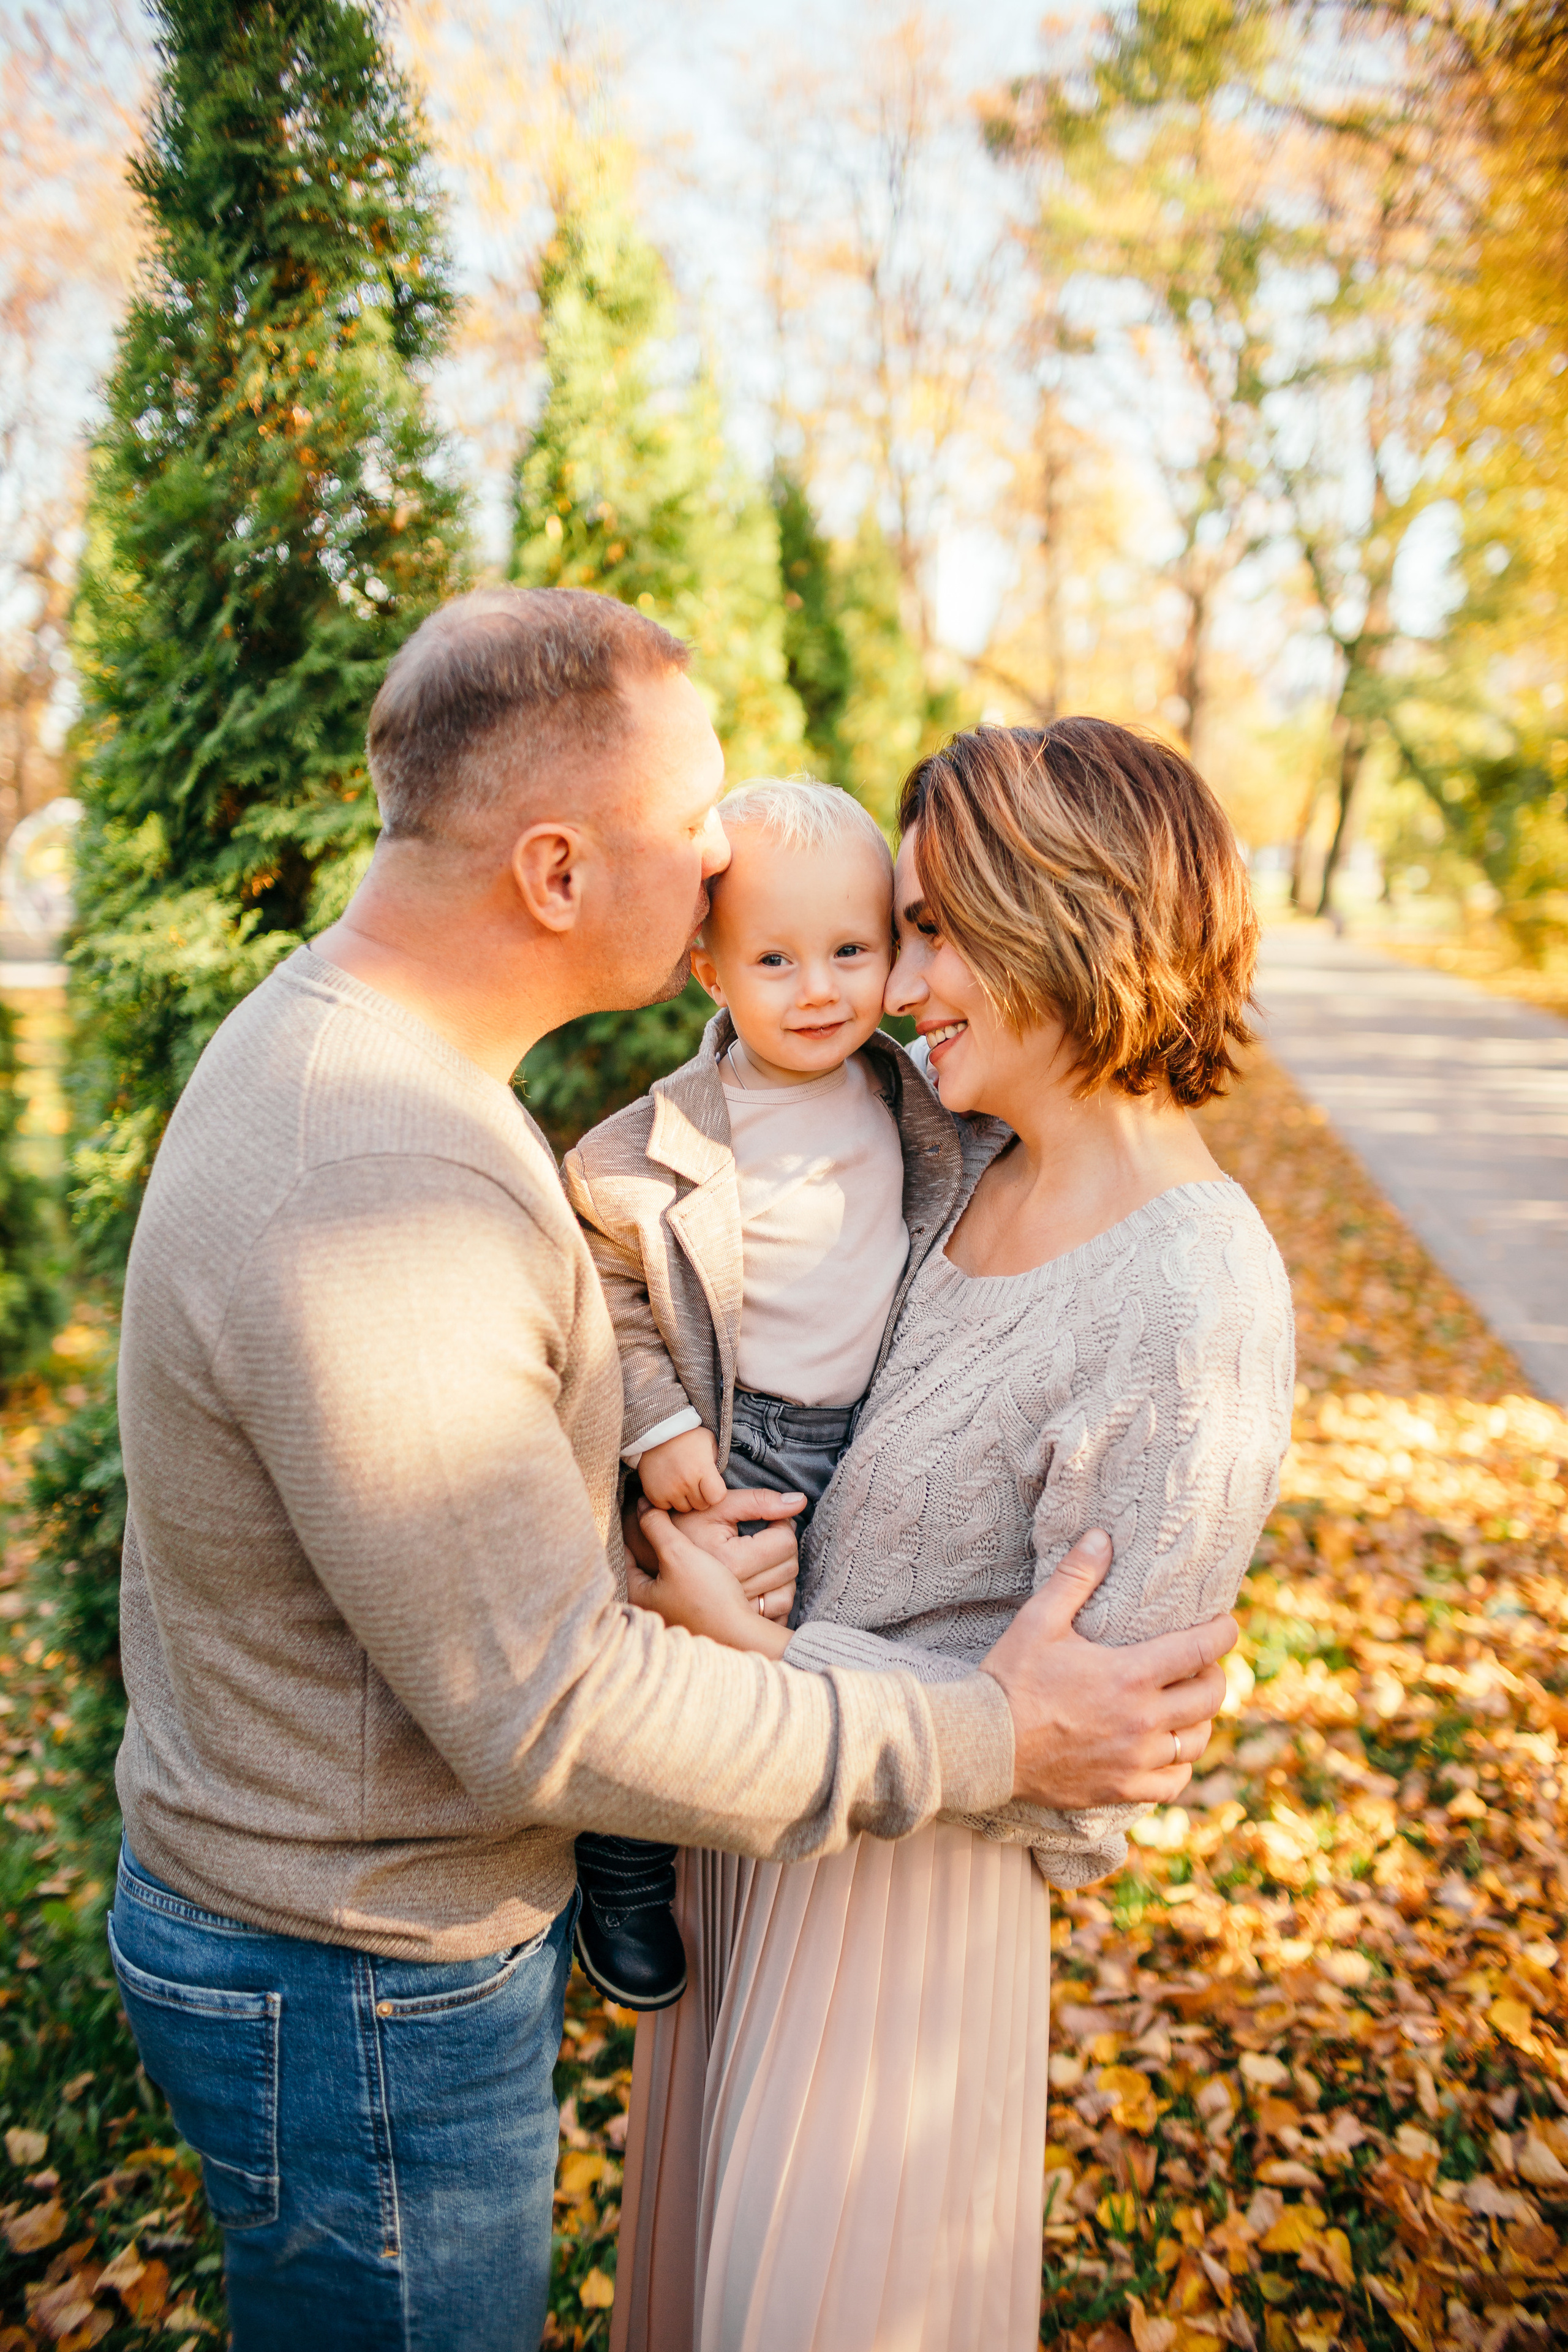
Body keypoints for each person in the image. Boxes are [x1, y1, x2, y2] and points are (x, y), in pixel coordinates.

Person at [105, 592, 1237, 2352]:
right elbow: (542, 1704)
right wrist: (984, 1730)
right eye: (693, 812)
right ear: (557, 876)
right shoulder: (378, 1178)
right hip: (354, 1976)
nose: (729, 850)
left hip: (389, 1935)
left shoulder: (401, 1086)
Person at [612, 718, 1295, 2352]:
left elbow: (1087, 1786)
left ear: (1071, 917)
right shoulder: (955, 1165)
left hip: (898, 1960)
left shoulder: (1191, 1292)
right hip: (753, 1846)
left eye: (929, 928)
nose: (893, 981)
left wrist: (747, 1647)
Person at [563, 777, 968, 2010]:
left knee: (820, 1662)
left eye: (852, 950)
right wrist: (657, 1422)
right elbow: (597, 1280)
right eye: (775, 959)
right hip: (737, 1439)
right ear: (710, 971)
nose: (820, 990)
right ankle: (623, 1868)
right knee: (686, 1651)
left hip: (878, 1430)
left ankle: (806, 1895)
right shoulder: (658, 1141)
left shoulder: (914, 1094)